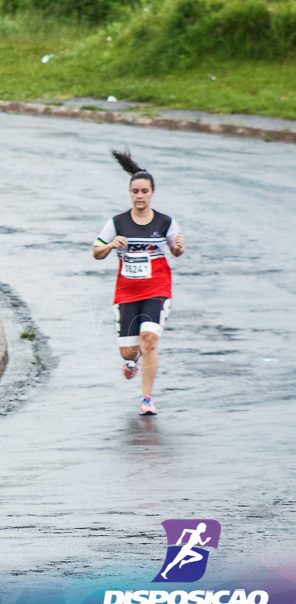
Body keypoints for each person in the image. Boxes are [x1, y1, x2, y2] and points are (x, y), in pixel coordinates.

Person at [93, 150, 185, 416]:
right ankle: (131, 362)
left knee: (149, 341)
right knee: (129, 351)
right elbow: (96, 252)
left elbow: (176, 250)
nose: (140, 196)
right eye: (135, 191)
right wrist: (111, 244)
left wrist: (179, 246)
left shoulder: (165, 222)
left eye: (145, 191)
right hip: (126, 292)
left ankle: (146, 398)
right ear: (130, 193)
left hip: (157, 288)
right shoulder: (117, 223)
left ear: (152, 193)